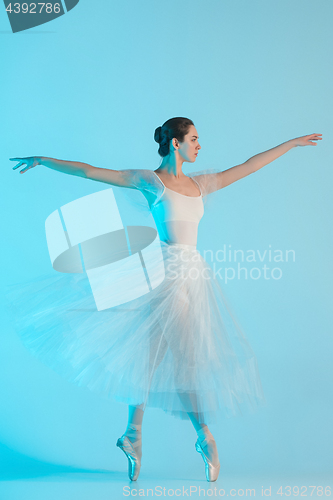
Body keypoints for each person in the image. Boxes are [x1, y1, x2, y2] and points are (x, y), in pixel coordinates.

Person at [9, 118, 322, 482]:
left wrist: (290, 143)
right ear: (175, 143)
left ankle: (134, 434)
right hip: (160, 273)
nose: (199, 145)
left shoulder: (200, 184)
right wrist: (46, 160)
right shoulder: (150, 181)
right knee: (178, 357)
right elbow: (91, 171)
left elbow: (249, 165)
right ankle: (200, 436)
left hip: (191, 277)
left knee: (154, 354)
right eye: (194, 139)